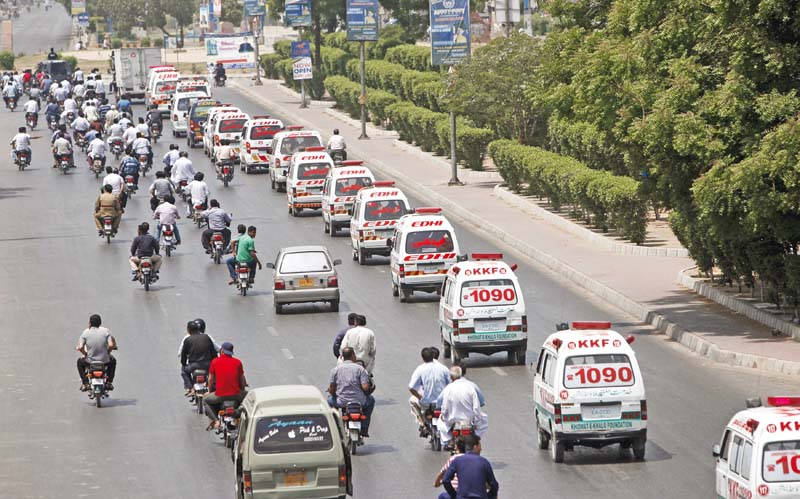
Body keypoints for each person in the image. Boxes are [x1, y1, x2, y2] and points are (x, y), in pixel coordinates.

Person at [328, 347, 375, 437]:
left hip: (341, 402)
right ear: (353, 355)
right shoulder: (360, 369)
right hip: (359, 401)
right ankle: (364, 428)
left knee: (329, 402)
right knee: (371, 400)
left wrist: (333, 392)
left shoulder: (335, 370)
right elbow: (365, 387)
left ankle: (335, 426)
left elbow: (331, 389)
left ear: (342, 357)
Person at [437, 366, 488, 450]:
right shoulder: (470, 387)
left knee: (440, 422)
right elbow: (476, 407)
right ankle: (476, 438)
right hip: (468, 420)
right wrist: (477, 421)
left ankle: (449, 440)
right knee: (484, 420)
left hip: (452, 419)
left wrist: (443, 416)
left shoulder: (448, 388)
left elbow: (444, 407)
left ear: (451, 377)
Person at [204, 342, 247, 430]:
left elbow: (210, 379)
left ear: (222, 351)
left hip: (220, 395)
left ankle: (216, 421)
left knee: (205, 400)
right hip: (236, 395)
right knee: (249, 398)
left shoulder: (215, 361)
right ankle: (238, 414)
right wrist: (242, 389)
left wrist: (209, 391)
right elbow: (242, 380)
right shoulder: (238, 362)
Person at [409, 347, 451, 436]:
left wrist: (420, 397)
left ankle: (422, 424)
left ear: (422, 358)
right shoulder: (444, 368)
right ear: (434, 356)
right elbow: (450, 385)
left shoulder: (420, 369)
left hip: (426, 403)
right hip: (442, 403)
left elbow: (411, 387)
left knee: (412, 400)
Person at [442, 435, 499, 499]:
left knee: (442, 496)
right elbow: (494, 484)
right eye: (479, 446)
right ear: (475, 447)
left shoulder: (457, 460)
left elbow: (445, 480)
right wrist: (490, 496)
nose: (481, 449)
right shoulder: (484, 462)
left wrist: (454, 495)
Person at [75, 314, 117, 391]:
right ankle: (109, 382)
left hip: (90, 362)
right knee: (113, 361)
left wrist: (85, 354)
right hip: (105, 361)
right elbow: (111, 345)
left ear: (90, 323)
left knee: (79, 362)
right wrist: (108, 352)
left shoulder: (85, 333)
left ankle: (85, 383)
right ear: (100, 323)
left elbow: (80, 347)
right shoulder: (106, 331)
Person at [180, 321, 217, 396]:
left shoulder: (187, 340)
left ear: (188, 330)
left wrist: (184, 364)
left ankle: (190, 388)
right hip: (208, 365)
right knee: (216, 371)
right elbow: (214, 353)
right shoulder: (206, 337)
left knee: (183, 370)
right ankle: (214, 385)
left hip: (194, 365)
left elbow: (183, 356)